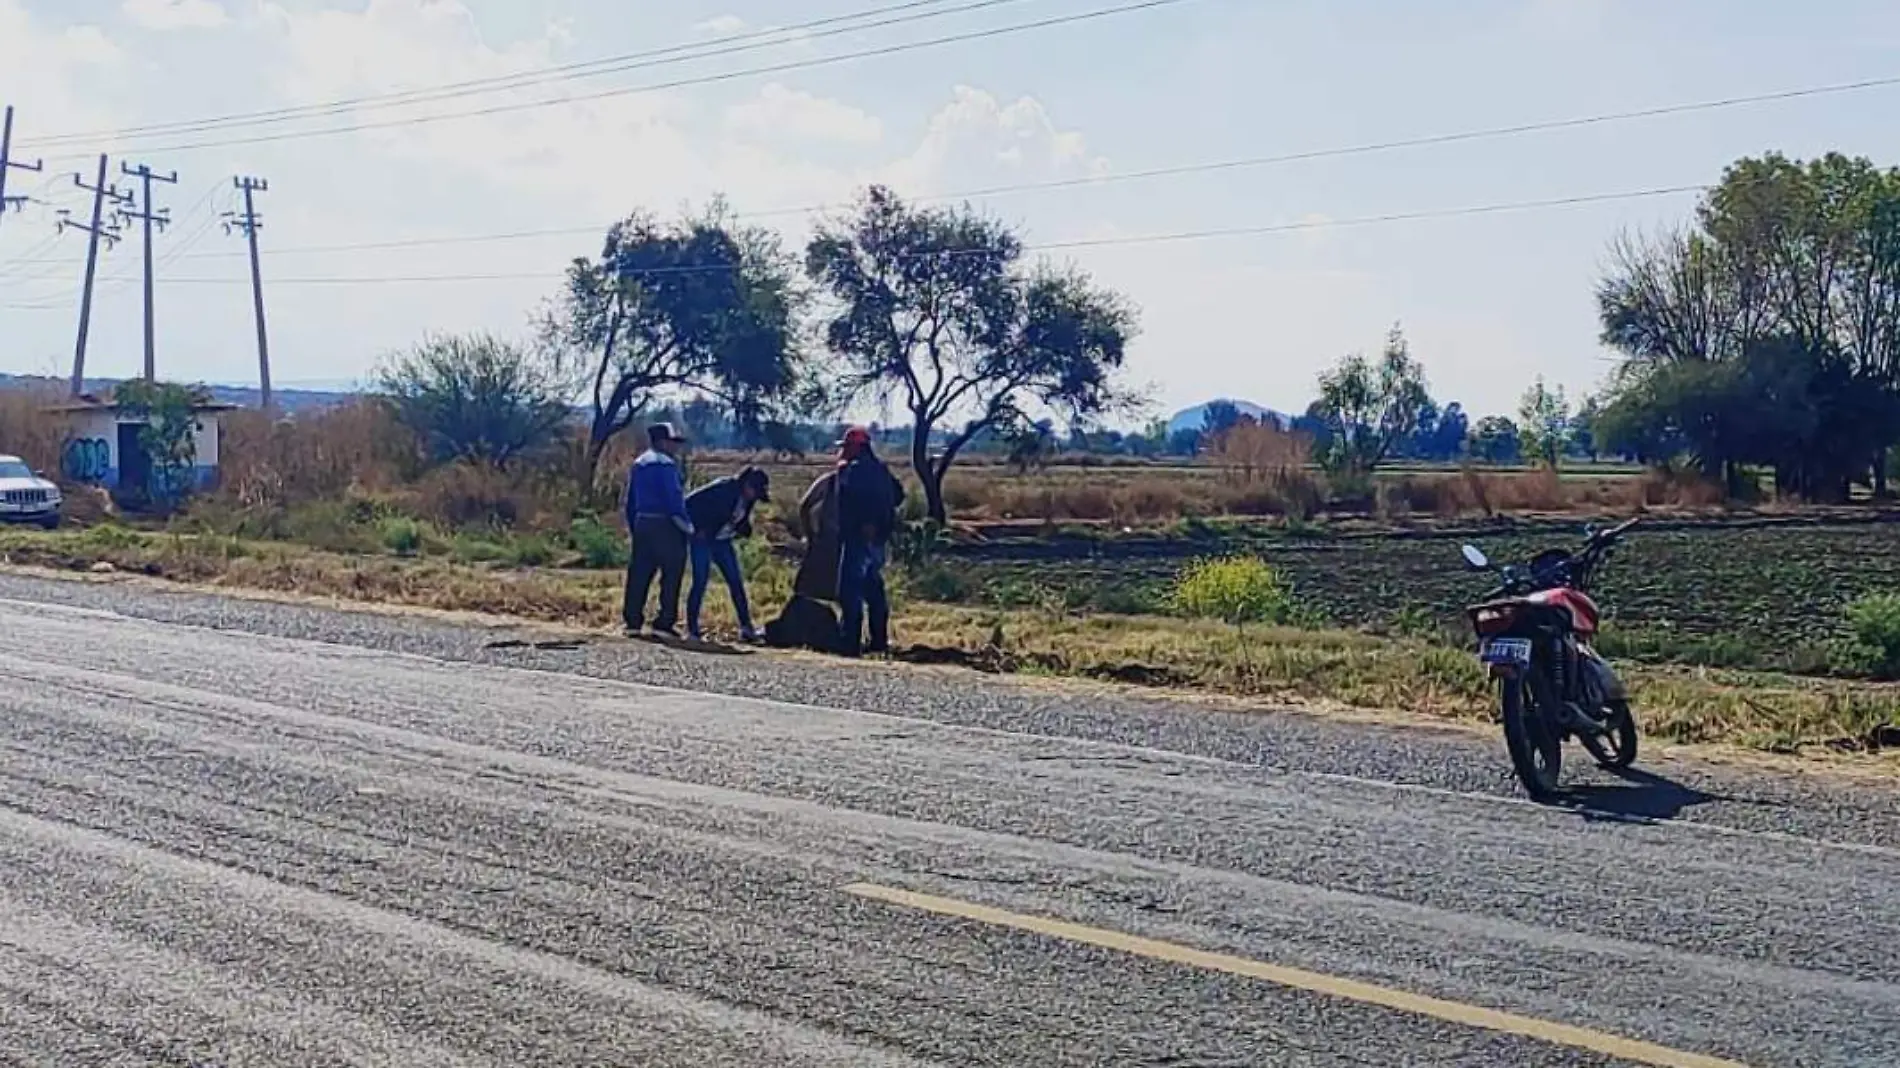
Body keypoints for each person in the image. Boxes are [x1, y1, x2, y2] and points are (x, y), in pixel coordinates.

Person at [832, 426, 906, 656]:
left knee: (850, 590)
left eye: (847, 446)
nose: (844, 451)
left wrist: (865, 523)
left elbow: (850, 499)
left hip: (858, 538)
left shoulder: (854, 471)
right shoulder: (881, 470)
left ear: (857, 447)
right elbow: (899, 495)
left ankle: (850, 643)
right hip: (879, 542)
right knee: (873, 589)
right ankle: (878, 641)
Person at [684, 465, 771, 642]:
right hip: (703, 539)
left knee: (735, 582)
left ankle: (746, 628)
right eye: (754, 490)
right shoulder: (723, 488)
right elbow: (689, 502)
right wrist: (696, 528)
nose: (754, 496)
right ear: (746, 484)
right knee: (700, 581)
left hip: (723, 540)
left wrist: (743, 529)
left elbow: (739, 519)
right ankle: (692, 630)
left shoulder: (748, 499)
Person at [623, 422, 693, 639]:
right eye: (672, 442)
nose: (675, 447)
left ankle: (633, 621)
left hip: (643, 521)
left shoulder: (639, 463)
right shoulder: (666, 465)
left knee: (639, 573)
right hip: (665, 524)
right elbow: (673, 499)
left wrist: (635, 525)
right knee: (672, 573)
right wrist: (686, 525)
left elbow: (630, 501)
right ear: (663, 442)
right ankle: (664, 622)